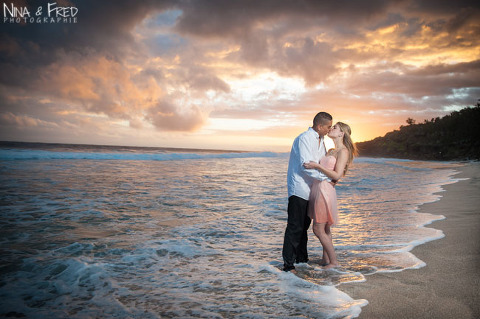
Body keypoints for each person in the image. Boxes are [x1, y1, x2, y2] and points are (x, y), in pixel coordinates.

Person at [282, 112, 332, 272]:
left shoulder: (322, 140)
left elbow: (319, 163)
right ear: (319, 126)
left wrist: (325, 177)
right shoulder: (304, 138)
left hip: (313, 188)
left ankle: (302, 260)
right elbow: (306, 165)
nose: (329, 130)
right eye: (328, 126)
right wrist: (326, 178)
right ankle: (288, 265)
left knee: (304, 225)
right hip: (299, 187)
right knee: (295, 226)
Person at [303, 122, 358, 269]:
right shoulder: (331, 150)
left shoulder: (343, 151)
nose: (331, 128)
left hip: (324, 190)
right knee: (326, 228)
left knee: (318, 229)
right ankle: (325, 260)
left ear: (341, 134)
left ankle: (334, 262)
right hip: (319, 187)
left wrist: (317, 165)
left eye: (335, 128)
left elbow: (337, 174)